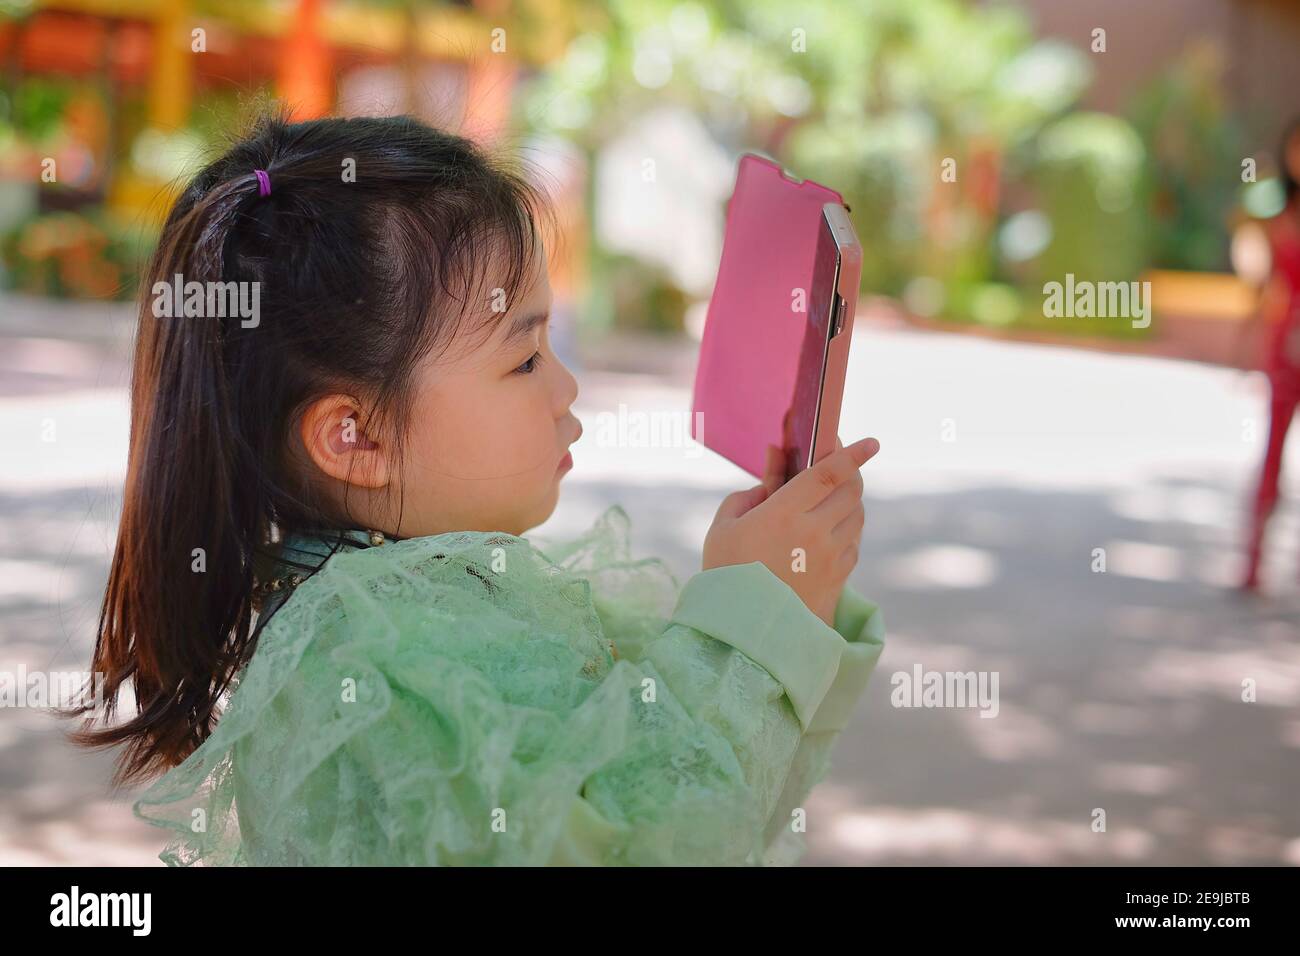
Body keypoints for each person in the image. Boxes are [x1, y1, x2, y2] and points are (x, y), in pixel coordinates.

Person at [64, 114, 885, 865]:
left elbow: (720, 803)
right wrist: (745, 638)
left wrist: (783, 607)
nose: (565, 389)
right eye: (524, 359)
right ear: (359, 438)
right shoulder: (374, 674)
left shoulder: (423, 600)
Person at [1241, 118, 1300, 592]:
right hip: (1285, 348)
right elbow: (1264, 286)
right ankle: (1253, 564)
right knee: (1272, 454)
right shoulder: (1276, 212)